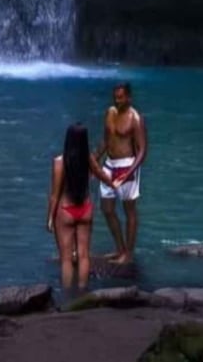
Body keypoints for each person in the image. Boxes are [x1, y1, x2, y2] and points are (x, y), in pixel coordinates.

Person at [46, 123, 115, 289]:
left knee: (66, 259)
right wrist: (114, 184)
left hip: (66, 211)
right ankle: (83, 292)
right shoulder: (88, 159)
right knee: (84, 256)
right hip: (85, 209)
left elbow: (55, 195)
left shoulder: (59, 162)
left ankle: (68, 295)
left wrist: (49, 218)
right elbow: (101, 174)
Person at [96, 81, 146, 264]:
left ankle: (128, 254)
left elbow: (142, 150)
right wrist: (94, 160)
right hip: (109, 164)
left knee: (129, 210)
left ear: (129, 97)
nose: (117, 101)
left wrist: (130, 172)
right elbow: (106, 140)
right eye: (115, 97)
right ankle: (119, 248)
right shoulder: (110, 113)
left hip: (128, 165)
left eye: (121, 98)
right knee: (107, 208)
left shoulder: (136, 118)